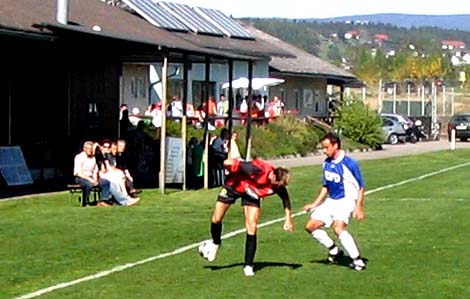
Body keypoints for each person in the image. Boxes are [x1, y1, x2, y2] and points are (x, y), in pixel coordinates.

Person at [198, 158, 294, 276]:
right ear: (273, 176)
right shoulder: (257, 169)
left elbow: (286, 200)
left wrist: (288, 219)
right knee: (216, 219)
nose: (278, 188)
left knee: (252, 225)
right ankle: (216, 243)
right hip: (234, 186)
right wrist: (230, 166)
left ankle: (248, 265)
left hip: (251, 195)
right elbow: (228, 163)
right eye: (278, 185)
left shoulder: (277, 186)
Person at [303, 132, 366, 271]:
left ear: (335, 145)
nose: (324, 151)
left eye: (326, 147)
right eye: (323, 148)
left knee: (338, 228)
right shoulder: (326, 163)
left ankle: (357, 260)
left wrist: (358, 207)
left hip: (346, 201)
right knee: (310, 226)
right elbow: (326, 186)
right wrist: (315, 204)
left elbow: (361, 187)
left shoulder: (349, 164)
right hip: (332, 201)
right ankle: (334, 251)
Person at [73, 140, 111, 207]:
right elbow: (78, 173)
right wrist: (91, 180)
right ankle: (85, 201)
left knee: (105, 182)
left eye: (91, 149)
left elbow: (94, 170)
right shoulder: (79, 157)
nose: (90, 151)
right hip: (81, 177)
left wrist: (95, 179)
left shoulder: (93, 158)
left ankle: (103, 200)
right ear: (84, 149)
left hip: (91, 177)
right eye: (88, 149)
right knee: (89, 184)